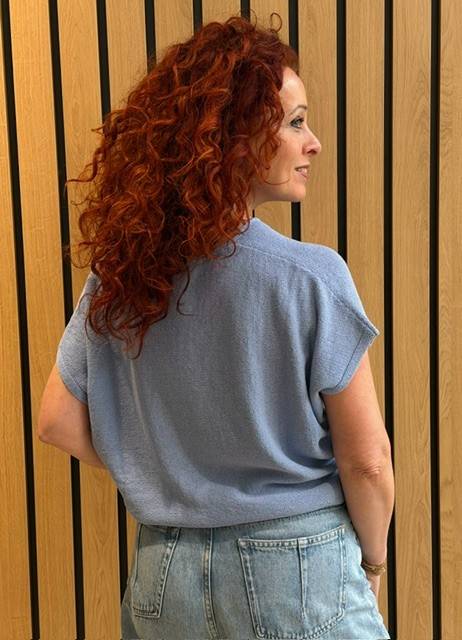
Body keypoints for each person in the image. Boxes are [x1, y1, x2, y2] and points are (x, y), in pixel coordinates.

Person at [55, 12, 394, 640]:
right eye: (295, 122)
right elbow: (368, 461)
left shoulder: (122, 278)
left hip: (165, 576)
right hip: (299, 571)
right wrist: (371, 563)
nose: (314, 143)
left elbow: (57, 420)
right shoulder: (312, 277)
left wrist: (164, 470)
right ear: (236, 137)